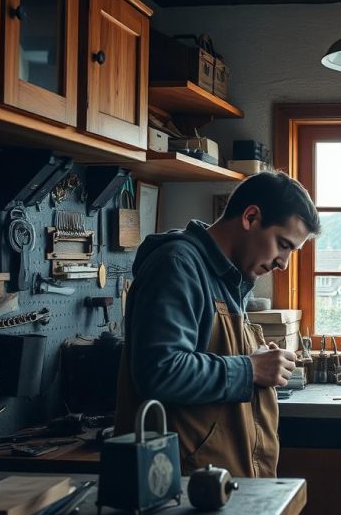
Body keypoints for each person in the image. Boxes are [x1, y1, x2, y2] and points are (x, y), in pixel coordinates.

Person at [114, 171, 320, 479]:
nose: (284, 264)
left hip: (215, 483)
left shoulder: (228, 279)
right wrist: (251, 369)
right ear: (251, 217)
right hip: (179, 487)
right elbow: (159, 370)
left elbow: (211, 353)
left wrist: (258, 358)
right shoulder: (178, 266)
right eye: (283, 244)